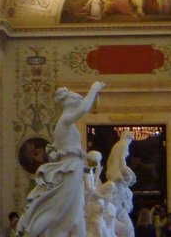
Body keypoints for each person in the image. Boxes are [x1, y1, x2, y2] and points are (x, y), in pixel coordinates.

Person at [16, 81, 105, 237]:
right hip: (69, 170)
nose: (78, 103)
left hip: (74, 168)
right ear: (68, 103)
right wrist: (93, 89)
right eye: (76, 100)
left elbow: (60, 149)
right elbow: (84, 109)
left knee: (74, 211)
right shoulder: (65, 120)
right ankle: (31, 233)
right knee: (59, 210)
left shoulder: (66, 123)